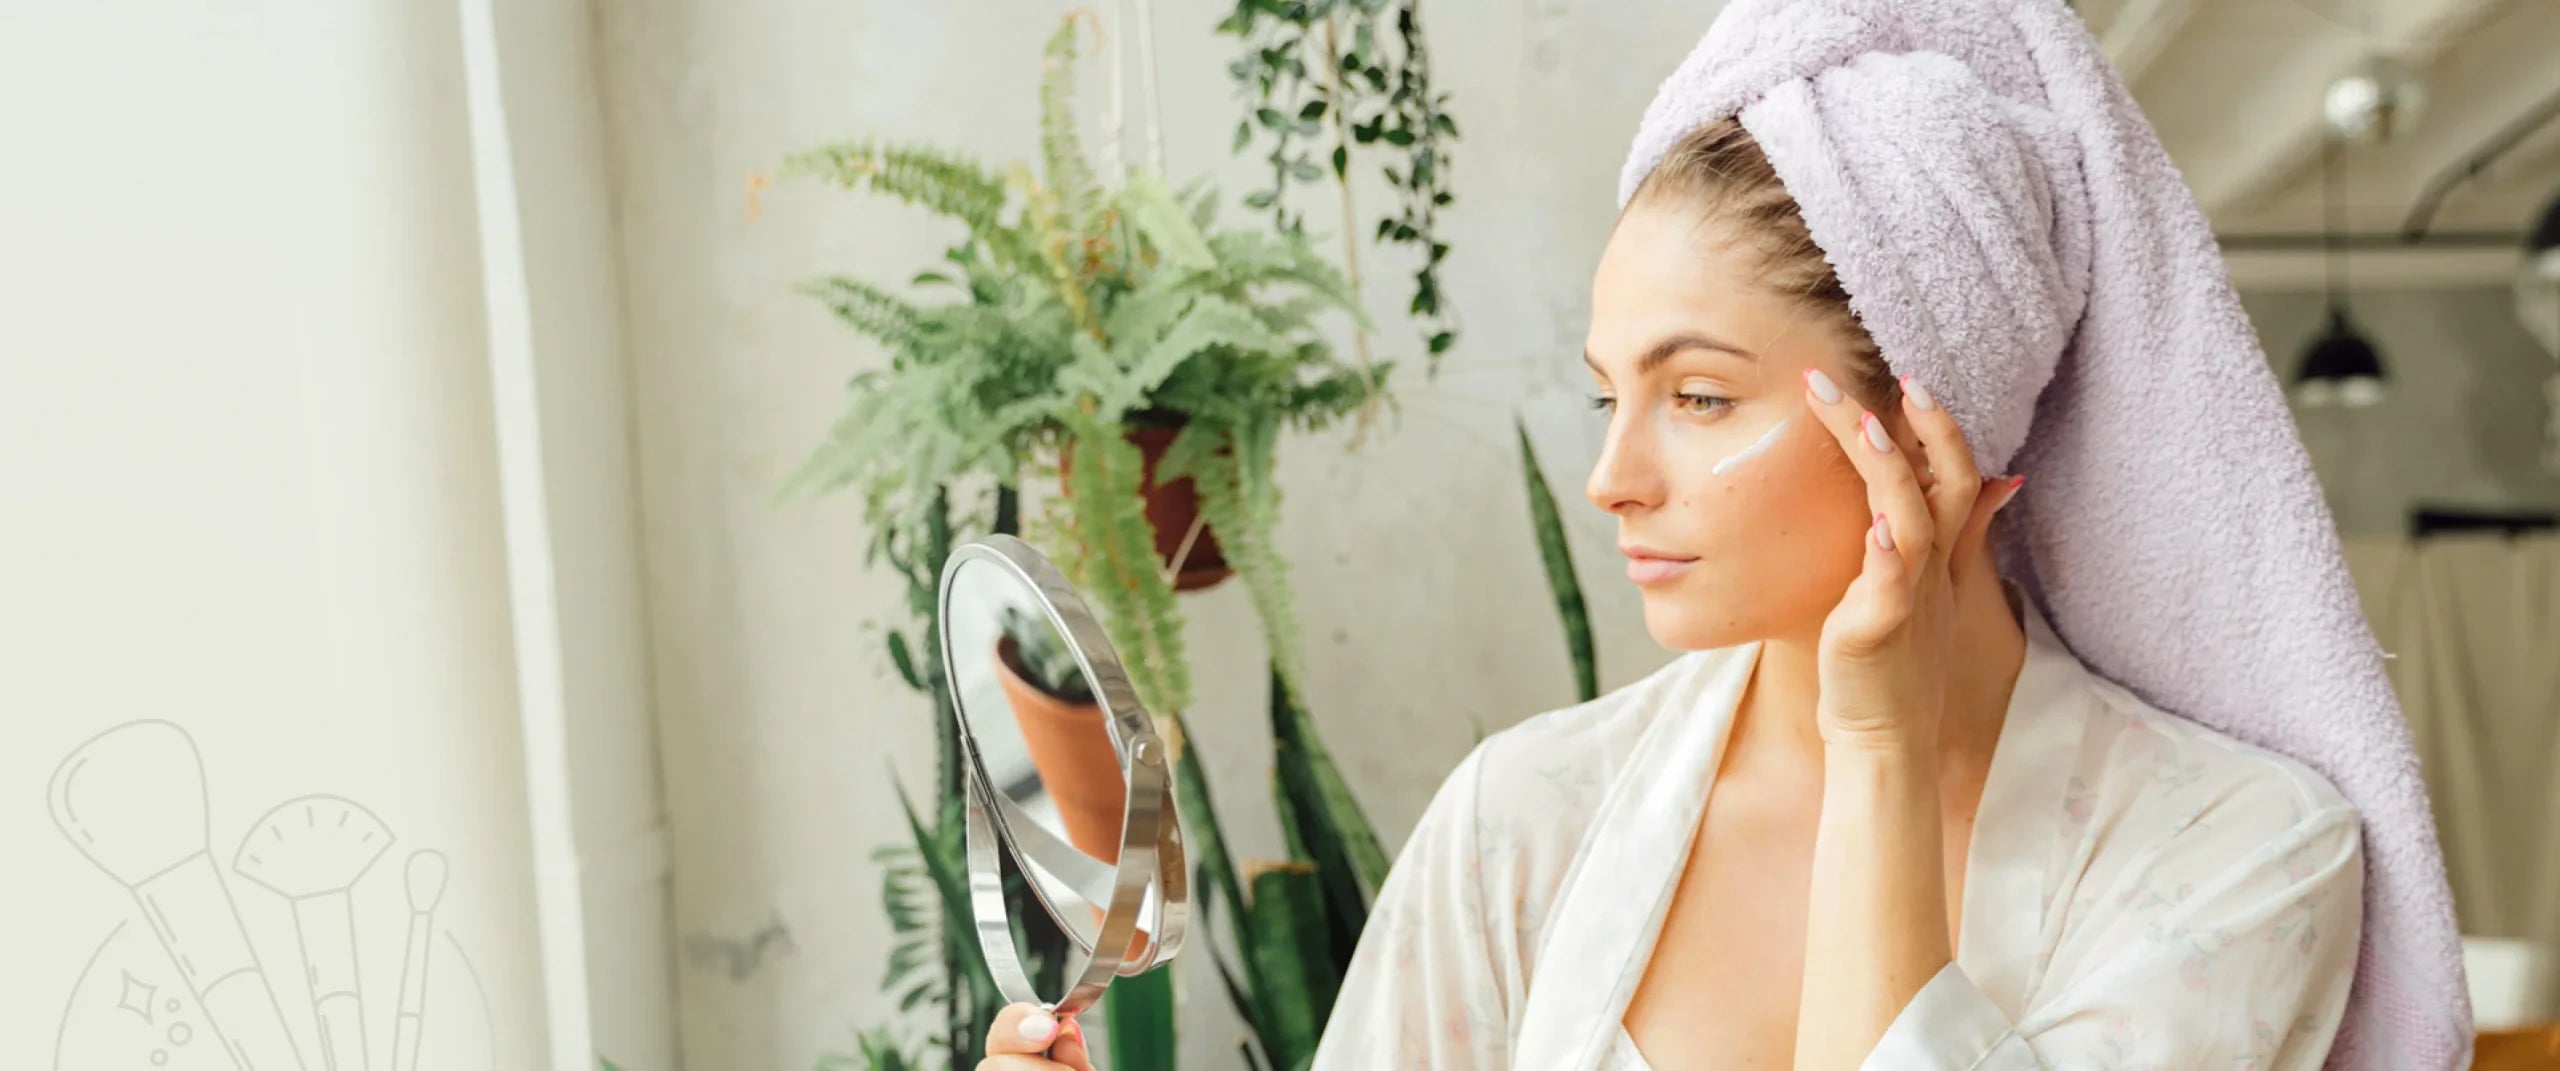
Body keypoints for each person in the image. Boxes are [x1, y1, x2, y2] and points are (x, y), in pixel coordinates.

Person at [981, 0, 2469, 1067]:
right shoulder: (1524, 821)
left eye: (1698, 397)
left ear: (1928, 423)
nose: (1612, 478)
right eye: (1608, 396)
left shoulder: (2237, 856)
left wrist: (1879, 747)